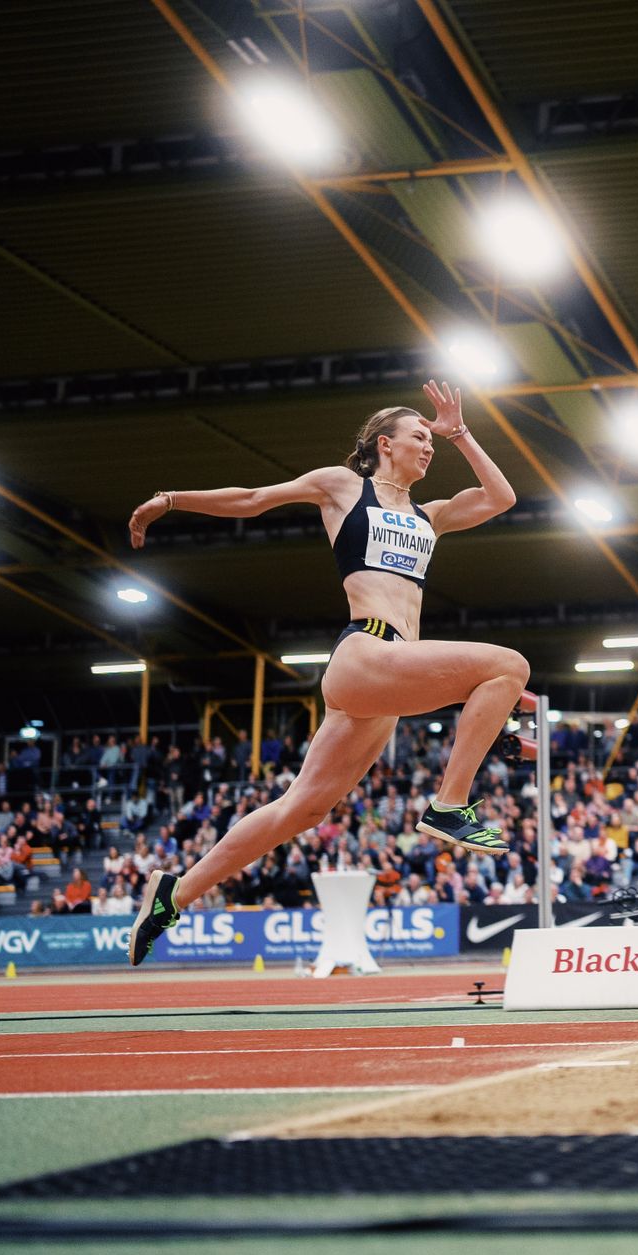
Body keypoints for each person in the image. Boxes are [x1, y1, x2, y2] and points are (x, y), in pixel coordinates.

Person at [122, 383, 525, 965]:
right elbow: (254, 497)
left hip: (389, 681)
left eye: (430, 439)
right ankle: (449, 804)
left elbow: (502, 496)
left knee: (302, 810)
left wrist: (457, 432)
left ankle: (173, 894)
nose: (428, 446)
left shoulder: (429, 515)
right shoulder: (344, 488)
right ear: (385, 444)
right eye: (419, 436)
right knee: (508, 664)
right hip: (365, 652)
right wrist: (171, 499)